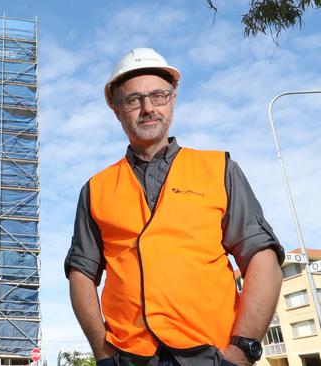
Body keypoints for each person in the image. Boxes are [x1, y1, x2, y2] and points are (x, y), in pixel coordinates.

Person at [64, 48, 285, 366]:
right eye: (133, 100)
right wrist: (103, 353)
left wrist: (241, 350)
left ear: (173, 99)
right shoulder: (95, 189)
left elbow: (262, 257)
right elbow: (81, 273)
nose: (148, 108)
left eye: (158, 95)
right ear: (116, 109)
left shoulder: (218, 169)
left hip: (212, 355)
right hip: (128, 357)